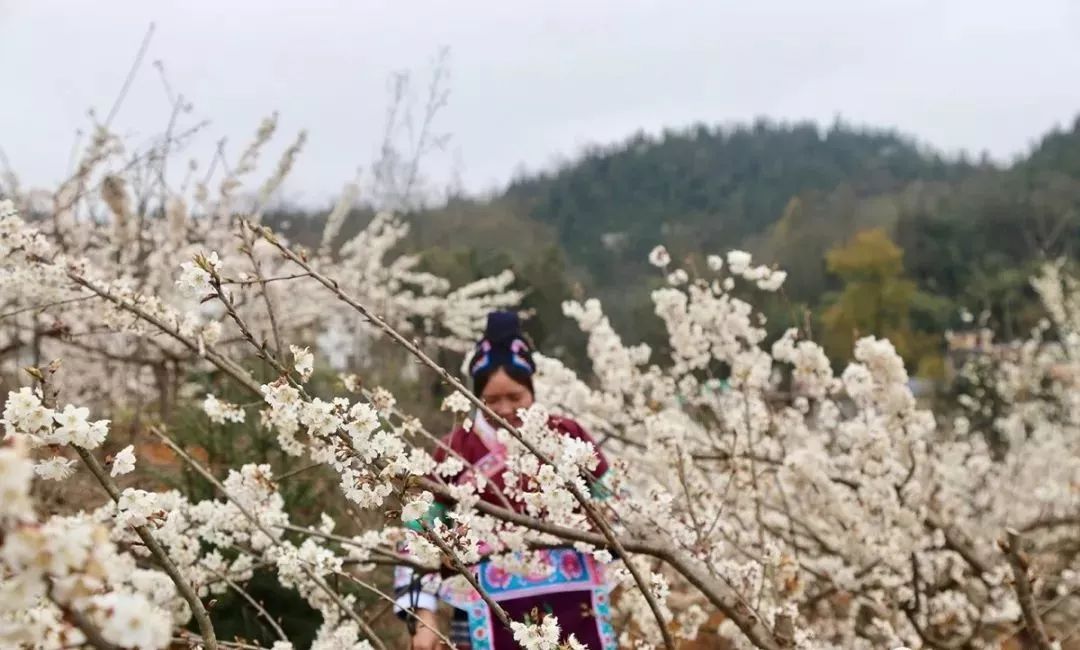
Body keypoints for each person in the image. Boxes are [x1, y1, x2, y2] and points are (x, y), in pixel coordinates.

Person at [394, 311, 617, 650]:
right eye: (492, 401)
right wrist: (423, 615)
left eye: (515, 397)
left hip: (576, 603)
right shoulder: (454, 450)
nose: (505, 409)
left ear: (532, 392)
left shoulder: (567, 436)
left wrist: (603, 525)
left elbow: (613, 503)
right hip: (480, 607)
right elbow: (417, 533)